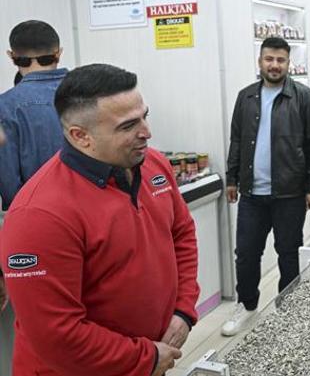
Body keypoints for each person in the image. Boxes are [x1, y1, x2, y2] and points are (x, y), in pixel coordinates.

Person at [0, 63, 200, 376]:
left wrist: (183, 310)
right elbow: (57, 336)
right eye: (128, 125)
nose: (146, 132)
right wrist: (144, 357)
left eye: (145, 115)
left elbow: (181, 233)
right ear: (80, 136)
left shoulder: (153, 166)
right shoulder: (40, 215)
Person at [223, 36, 310, 336]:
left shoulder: (305, 97)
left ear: (288, 63)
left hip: (290, 193)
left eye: (281, 60)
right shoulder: (246, 97)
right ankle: (247, 304)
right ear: (260, 61)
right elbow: (237, 140)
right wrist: (232, 178)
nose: (274, 65)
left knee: (288, 251)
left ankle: (289, 306)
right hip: (252, 194)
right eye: (269, 59)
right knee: (245, 252)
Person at [0, 20, 68, 209]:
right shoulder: (91, 92)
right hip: (94, 211)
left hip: (37, 214)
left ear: (11, 56)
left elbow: (8, 181)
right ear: (59, 54)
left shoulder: (5, 106)